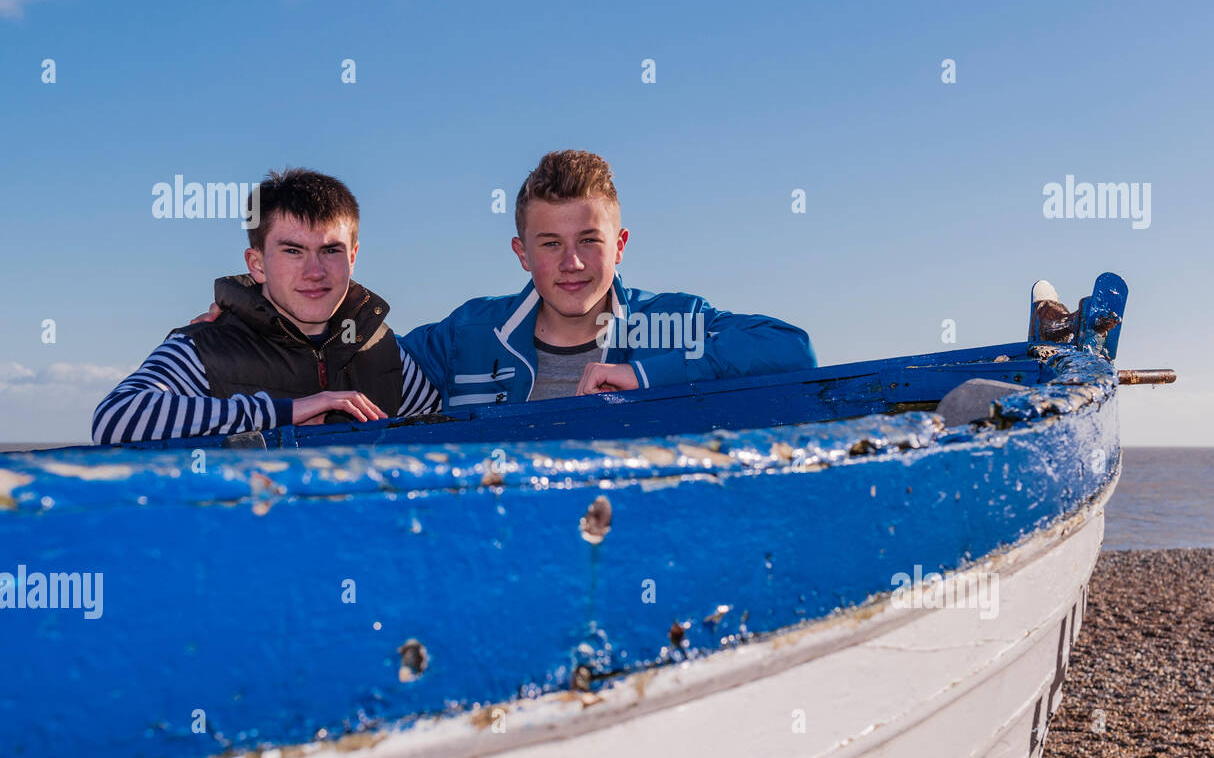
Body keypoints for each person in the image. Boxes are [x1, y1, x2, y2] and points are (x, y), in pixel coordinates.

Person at [398, 149, 816, 407]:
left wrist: (646, 377)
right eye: (549, 244)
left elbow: (791, 348)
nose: (572, 262)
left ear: (619, 245)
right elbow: (368, 366)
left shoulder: (670, 323)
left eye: (589, 240)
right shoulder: (467, 334)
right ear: (521, 253)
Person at [92, 168, 439, 445]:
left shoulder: (382, 352)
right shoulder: (205, 347)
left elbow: (444, 434)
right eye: (293, 251)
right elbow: (117, 418)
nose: (315, 272)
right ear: (257, 264)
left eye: (330, 250)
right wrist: (286, 412)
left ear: (353, 256)